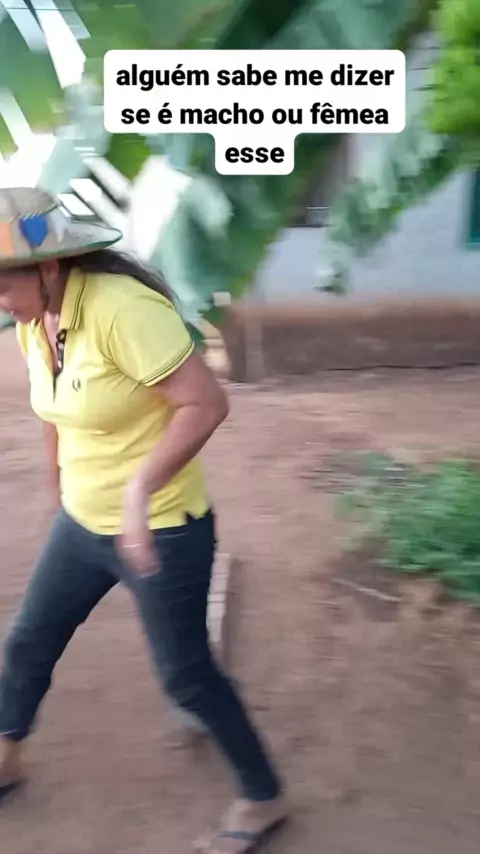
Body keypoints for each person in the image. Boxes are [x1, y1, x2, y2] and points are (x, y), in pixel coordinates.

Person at [0, 188, 286, 853]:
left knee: (187, 676)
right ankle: (6, 757)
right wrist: (58, 489)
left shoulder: (121, 310)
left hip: (161, 527)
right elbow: (54, 410)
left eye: (3, 282)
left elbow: (205, 403)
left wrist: (138, 493)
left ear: (50, 268)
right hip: (83, 523)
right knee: (28, 641)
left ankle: (264, 795)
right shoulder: (33, 321)